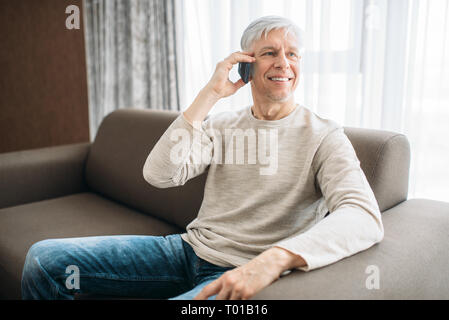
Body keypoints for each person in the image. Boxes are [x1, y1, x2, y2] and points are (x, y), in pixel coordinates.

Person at [21, 16, 383, 300]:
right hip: (186, 251)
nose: (283, 63)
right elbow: (160, 174)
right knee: (44, 260)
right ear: (246, 65)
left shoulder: (323, 135)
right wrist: (210, 95)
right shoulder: (222, 124)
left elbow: (363, 215)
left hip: (241, 272)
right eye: (270, 52)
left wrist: (274, 260)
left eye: (292, 54)